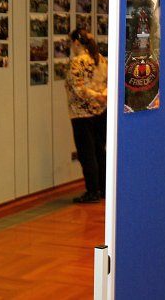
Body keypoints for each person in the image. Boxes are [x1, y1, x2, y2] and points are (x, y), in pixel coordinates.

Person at [65, 28, 108, 203]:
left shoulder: (77, 62)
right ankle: (104, 188)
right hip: (101, 111)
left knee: (86, 153)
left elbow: (78, 88)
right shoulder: (101, 59)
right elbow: (109, 82)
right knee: (99, 151)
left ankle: (92, 191)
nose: (71, 46)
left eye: (71, 43)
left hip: (81, 114)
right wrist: (102, 95)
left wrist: (94, 95)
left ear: (76, 43)